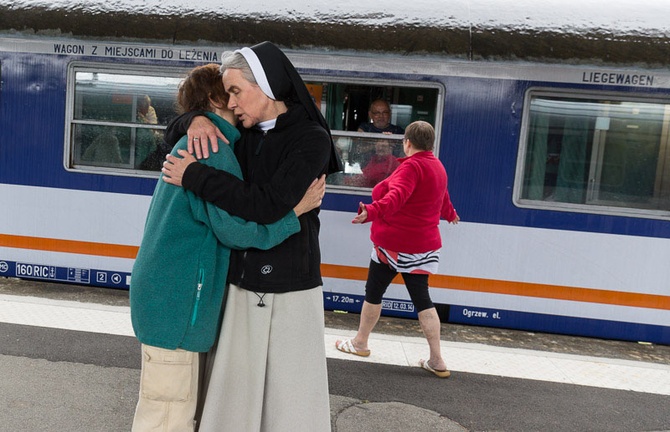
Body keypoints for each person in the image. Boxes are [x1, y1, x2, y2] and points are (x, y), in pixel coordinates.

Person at [129, 63, 325, 432]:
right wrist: (294, 214)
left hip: (167, 297)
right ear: (214, 100)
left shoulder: (203, 138)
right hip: (177, 302)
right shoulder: (212, 145)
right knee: (167, 416)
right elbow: (235, 232)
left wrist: (192, 120)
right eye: (230, 93)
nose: (237, 102)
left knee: (165, 407)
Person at [335, 120, 459, 379]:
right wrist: (450, 214)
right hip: (423, 249)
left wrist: (370, 212)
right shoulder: (438, 167)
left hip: (392, 246)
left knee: (374, 292)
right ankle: (436, 358)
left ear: (408, 143)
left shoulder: (410, 168)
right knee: (422, 300)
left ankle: (360, 343)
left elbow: (394, 198)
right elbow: (442, 197)